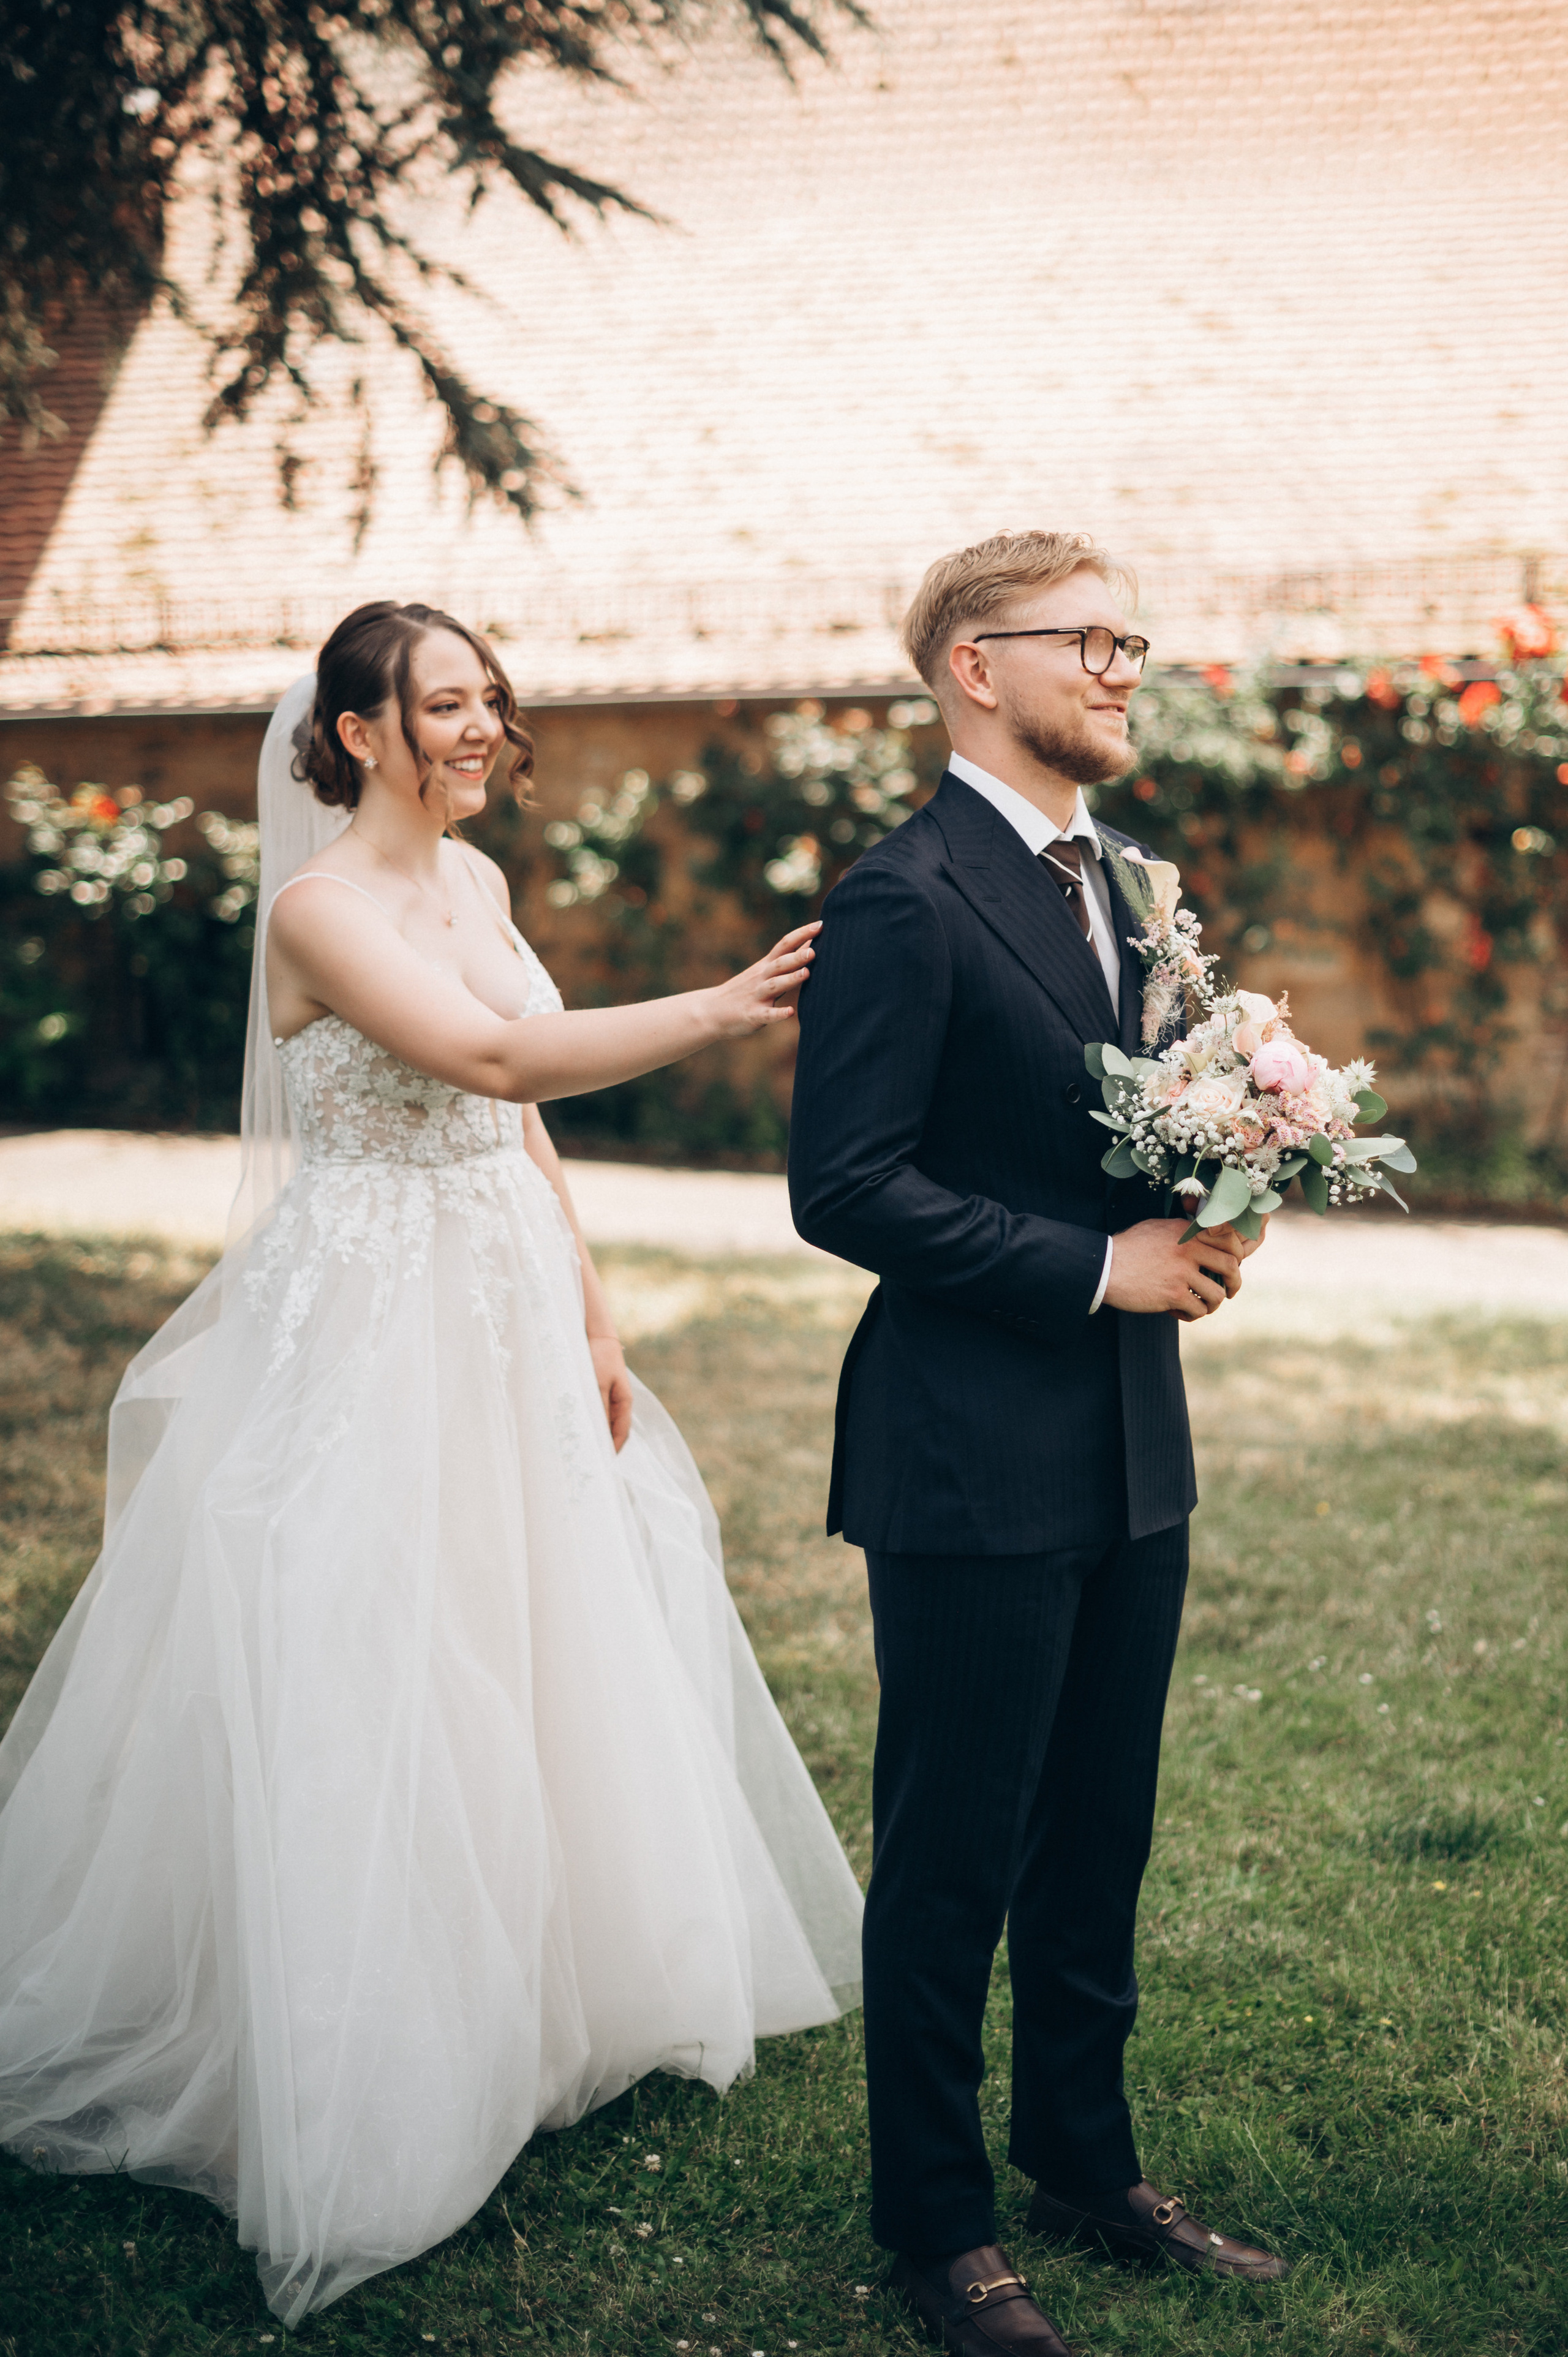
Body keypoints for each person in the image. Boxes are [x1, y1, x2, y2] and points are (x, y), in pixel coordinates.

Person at [0, 600, 862, 2325]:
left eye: (489, 699)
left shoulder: (474, 880)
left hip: (506, 1290)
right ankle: (369, 2052)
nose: (484, 729)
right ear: (355, 734)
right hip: (372, 1313)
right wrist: (715, 1009)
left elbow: (513, 1121)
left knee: (534, 1627)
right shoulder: (318, 913)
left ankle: (543, 1999)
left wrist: (592, 1305)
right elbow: (484, 1052)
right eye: (446, 705)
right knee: (380, 1649)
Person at [787, 532, 1287, 2357]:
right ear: (972, 666)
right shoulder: (903, 897)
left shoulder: (1133, 884)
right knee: (955, 1856)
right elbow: (845, 1186)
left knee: (1099, 1838)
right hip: (968, 1449)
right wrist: (1096, 1268)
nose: (1122, 666)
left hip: (1133, 1442)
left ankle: (1087, 2160)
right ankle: (940, 2228)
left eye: (1132, 639)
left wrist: (1234, 1180)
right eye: (1089, 639)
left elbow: (1127, 1126)